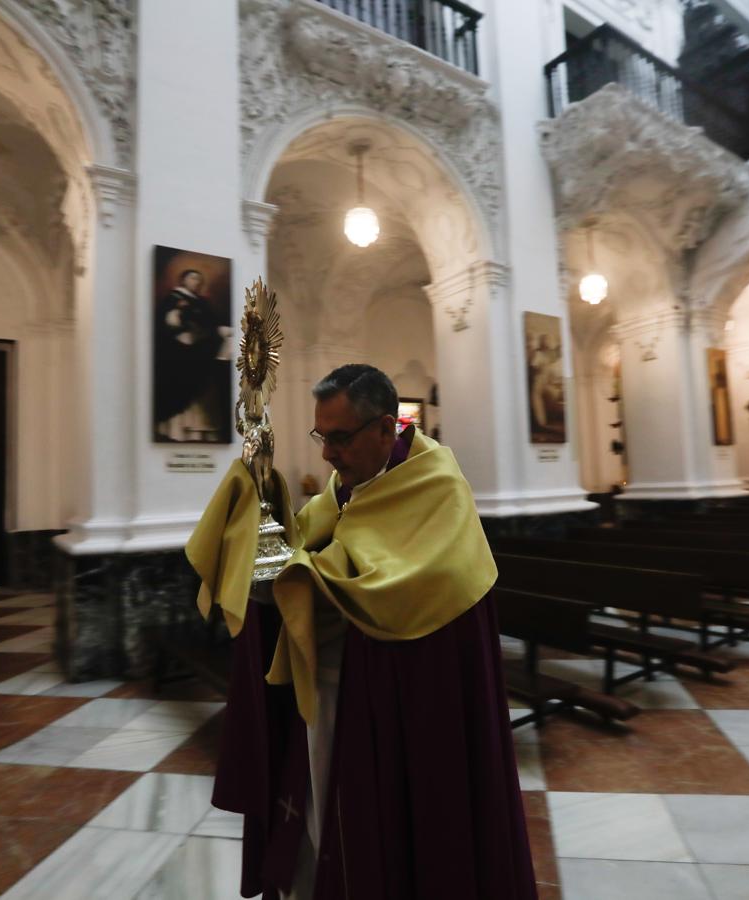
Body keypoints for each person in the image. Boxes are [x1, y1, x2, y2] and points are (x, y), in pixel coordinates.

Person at [188, 364, 536, 900]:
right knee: (327, 821)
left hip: (409, 704)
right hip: (332, 694)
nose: (327, 453)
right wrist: (258, 512)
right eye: (321, 437)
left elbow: (389, 589)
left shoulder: (436, 487)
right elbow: (302, 557)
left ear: (386, 428)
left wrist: (297, 577)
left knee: (402, 831)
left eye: (340, 438)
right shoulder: (343, 487)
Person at [154, 268, 229, 441]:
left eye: (199, 280)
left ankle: (201, 430)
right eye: (193, 278)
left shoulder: (202, 302)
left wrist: (214, 332)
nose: (197, 282)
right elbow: (166, 324)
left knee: (206, 390)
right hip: (179, 353)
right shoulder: (173, 299)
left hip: (201, 353)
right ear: (183, 280)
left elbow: (210, 324)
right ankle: (178, 430)